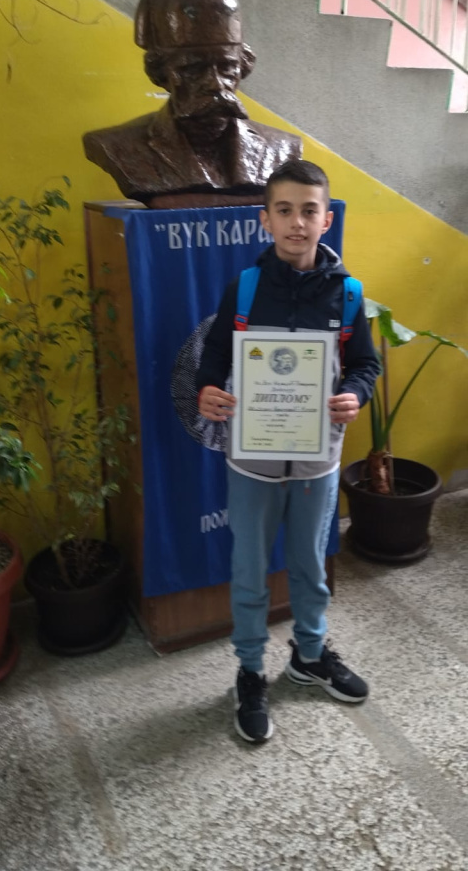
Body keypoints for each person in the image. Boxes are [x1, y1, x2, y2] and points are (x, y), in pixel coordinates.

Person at [196, 158, 379, 743]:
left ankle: (310, 655)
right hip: (252, 460)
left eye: (309, 211)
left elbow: (365, 364)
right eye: (284, 210)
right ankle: (251, 670)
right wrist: (209, 390)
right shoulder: (245, 289)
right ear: (265, 220)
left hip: (316, 460)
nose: (297, 222)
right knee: (249, 570)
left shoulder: (347, 295)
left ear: (327, 220)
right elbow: (214, 358)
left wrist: (353, 394)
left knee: (308, 565)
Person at [83, 0, 302, 207]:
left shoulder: (282, 148)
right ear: (161, 73)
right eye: (194, 69)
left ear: (243, 66)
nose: (215, 84)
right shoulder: (117, 146)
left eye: (227, 67)